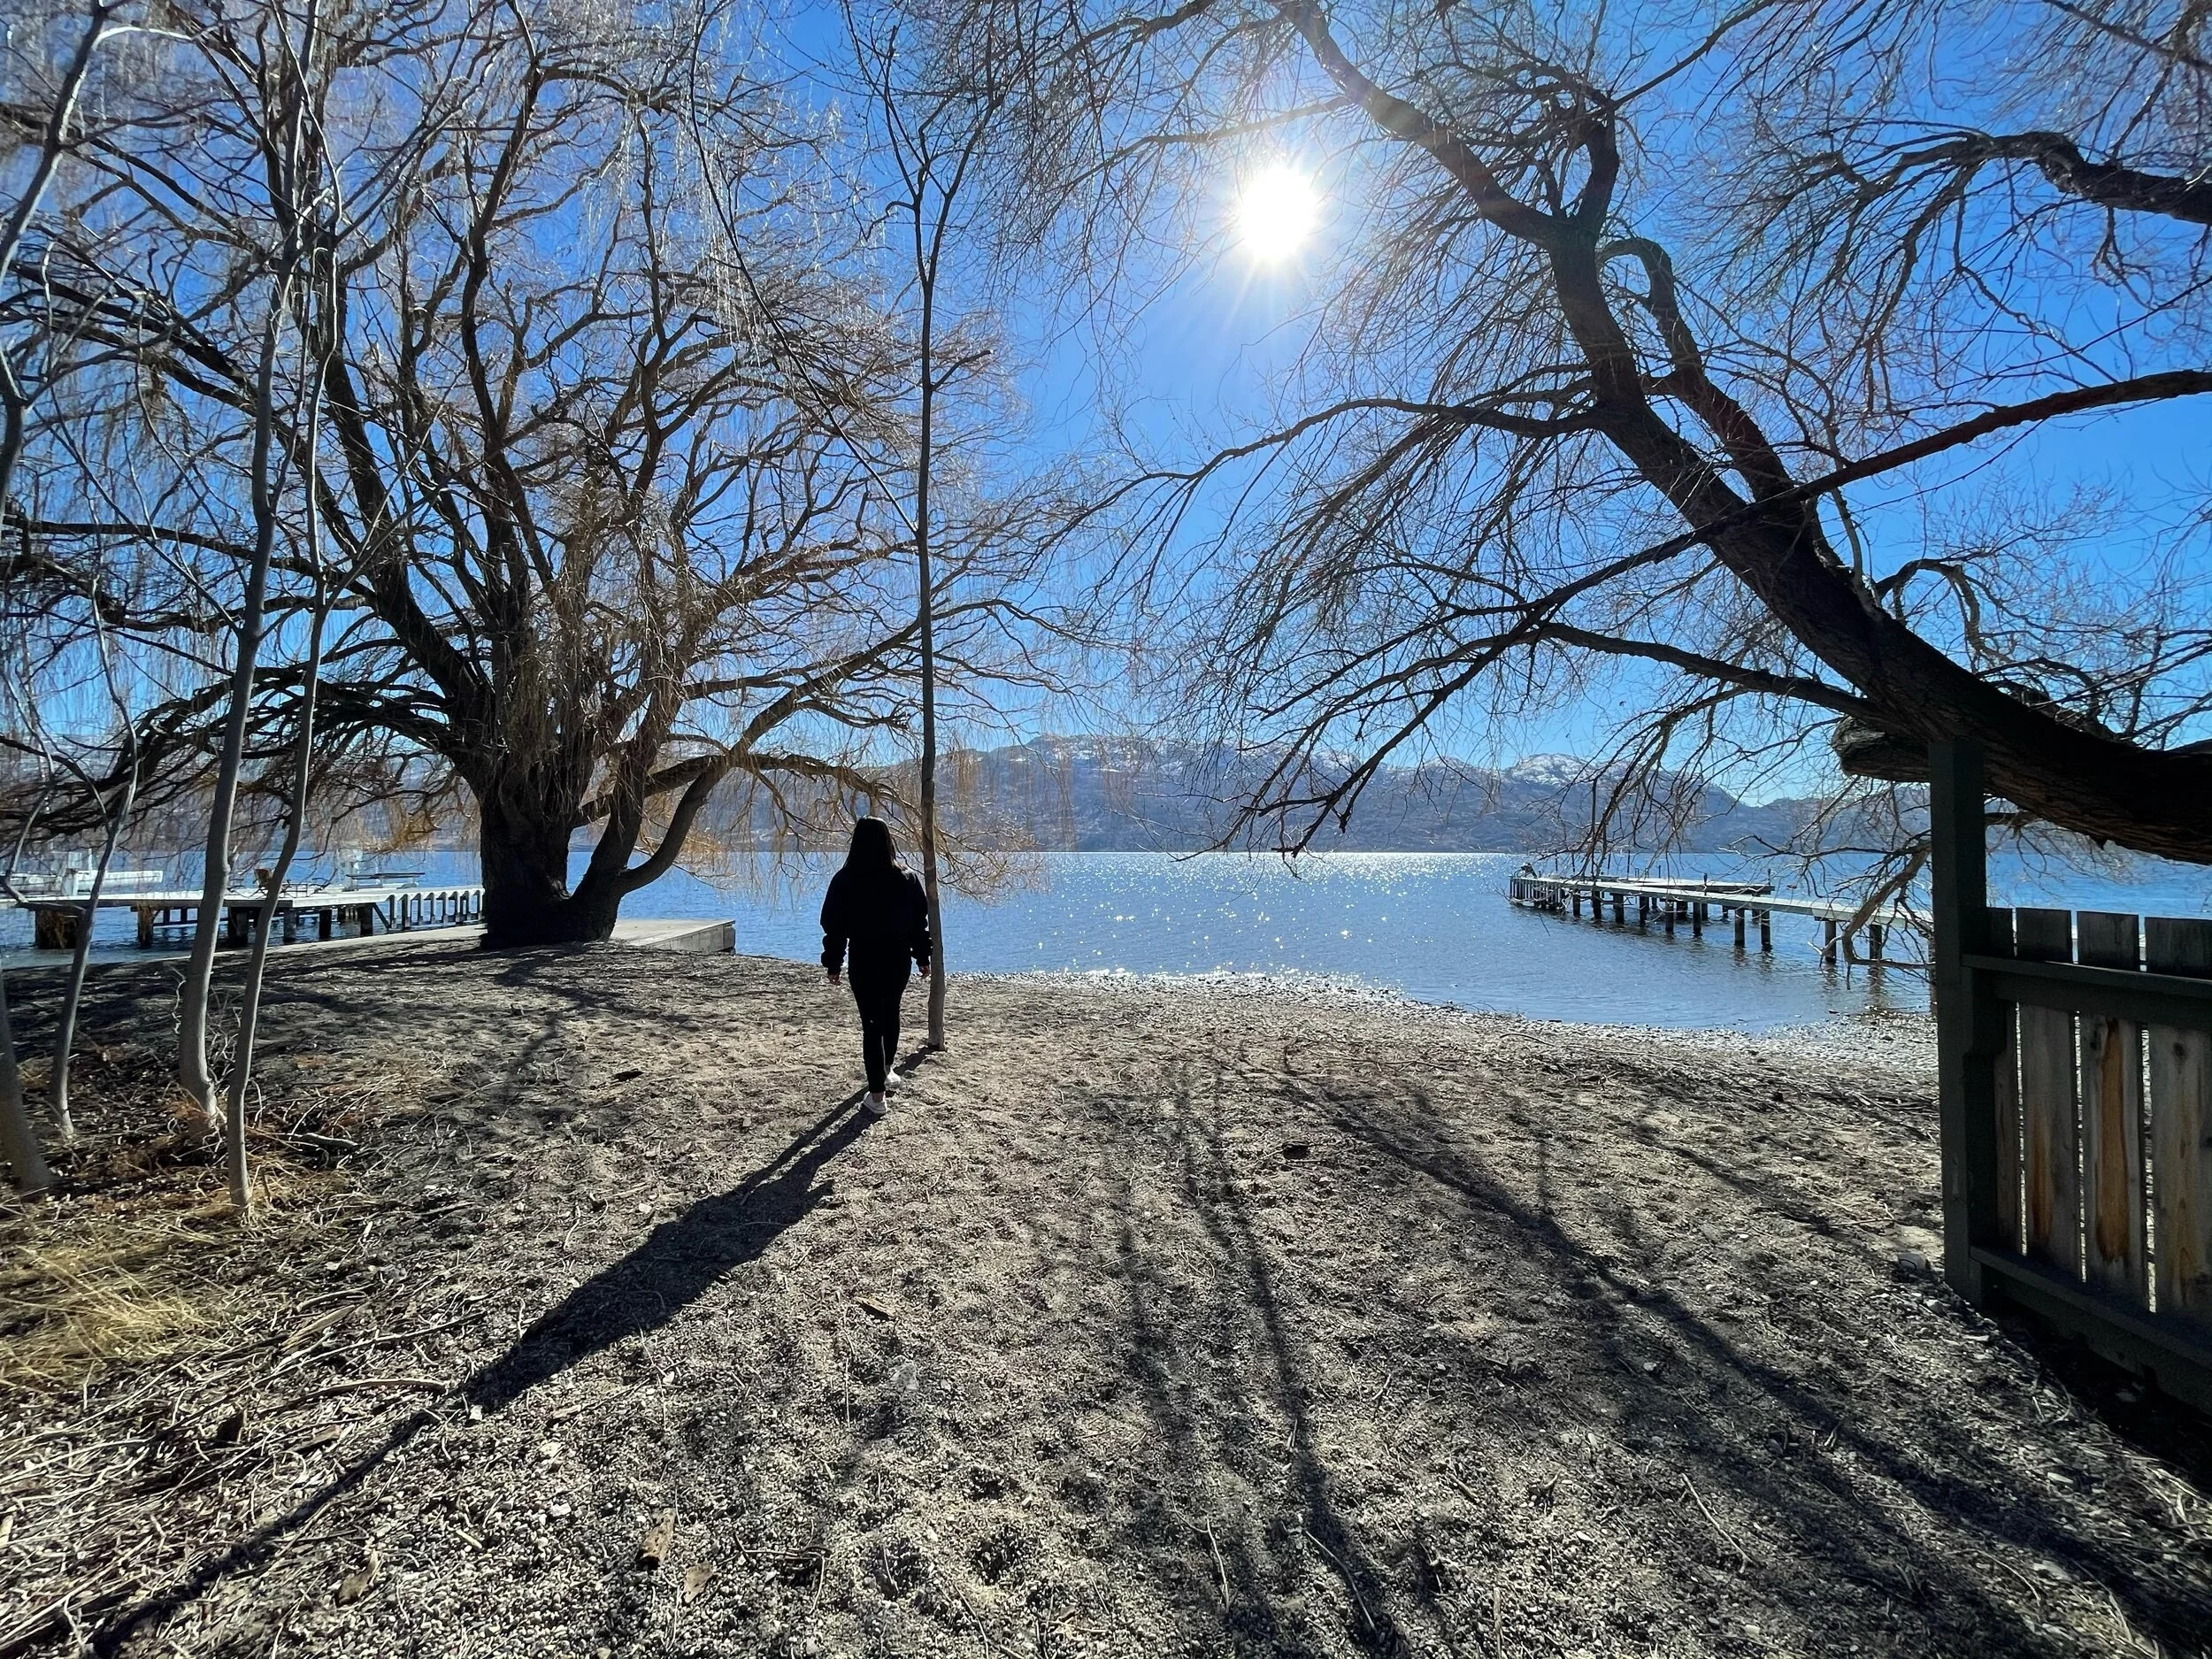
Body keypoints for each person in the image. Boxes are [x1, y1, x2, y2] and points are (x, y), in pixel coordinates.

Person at [819, 817, 933, 1116]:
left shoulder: (844, 880)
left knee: (871, 1024)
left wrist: (834, 962)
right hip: (897, 959)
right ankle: (887, 1068)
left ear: (855, 842)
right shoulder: (907, 878)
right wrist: (922, 957)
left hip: (864, 958)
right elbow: (918, 924)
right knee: (891, 1011)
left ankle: (877, 1095)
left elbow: (834, 926)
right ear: (888, 841)